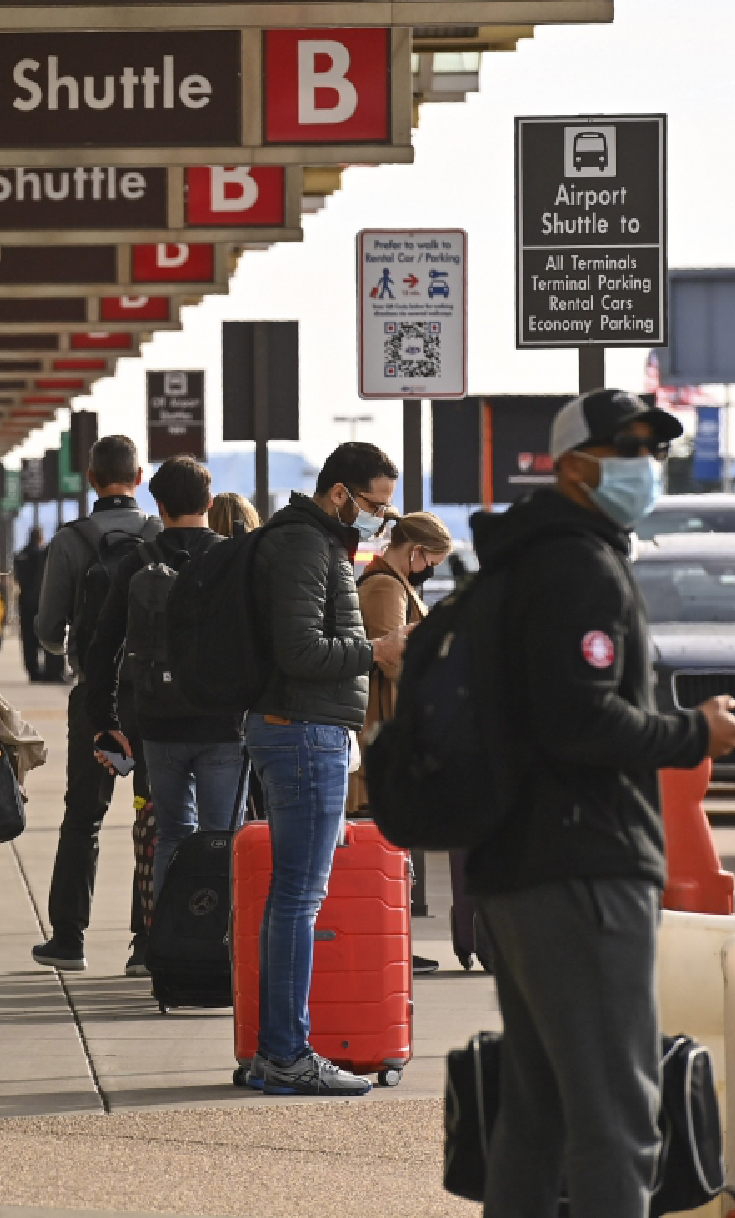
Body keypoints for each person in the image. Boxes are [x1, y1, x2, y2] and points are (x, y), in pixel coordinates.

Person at [469, 391, 735, 1214]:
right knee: (618, 1117)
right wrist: (691, 733)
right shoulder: (580, 568)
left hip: (519, 861)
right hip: (583, 865)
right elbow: (581, 720)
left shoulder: (522, 560)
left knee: (539, 1114)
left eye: (653, 448)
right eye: (626, 447)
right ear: (572, 465)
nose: (646, 463)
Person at [243, 442, 411, 1095]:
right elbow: (301, 649)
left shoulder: (307, 543)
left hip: (302, 730)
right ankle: (287, 1052)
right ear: (340, 493)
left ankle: (274, 1050)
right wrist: (378, 648)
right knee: (299, 898)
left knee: (291, 897)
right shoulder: (307, 548)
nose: (380, 519)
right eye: (375, 505)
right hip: (303, 732)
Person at [85, 456, 244, 926]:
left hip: (157, 724)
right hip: (222, 724)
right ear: (209, 504)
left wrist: (106, 723)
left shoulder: (136, 561)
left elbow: (103, 647)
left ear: (159, 504)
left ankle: (168, 938)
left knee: (172, 834)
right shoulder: (230, 558)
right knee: (223, 837)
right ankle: (220, 944)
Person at [31, 435, 158, 972]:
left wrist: (77, 654)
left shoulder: (71, 540)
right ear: (141, 475)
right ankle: (146, 943)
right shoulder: (159, 534)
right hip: (155, 697)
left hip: (94, 698)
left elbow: (46, 629)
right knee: (155, 815)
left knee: (84, 815)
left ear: (90, 477)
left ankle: (68, 939)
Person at [356, 510, 454, 976]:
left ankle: (393, 942)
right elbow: (391, 655)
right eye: (431, 558)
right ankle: (388, 944)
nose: (431, 567)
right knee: (387, 838)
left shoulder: (393, 582)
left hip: (391, 718)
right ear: (415, 551)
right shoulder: (384, 587)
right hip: (385, 719)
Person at [13, 525, 61, 683]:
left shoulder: (20, 555)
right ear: (41, 537)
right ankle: (52, 672)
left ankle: (33, 672)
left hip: (25, 602)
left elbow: (18, 579)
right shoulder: (43, 555)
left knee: (28, 640)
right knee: (48, 636)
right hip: (42, 602)